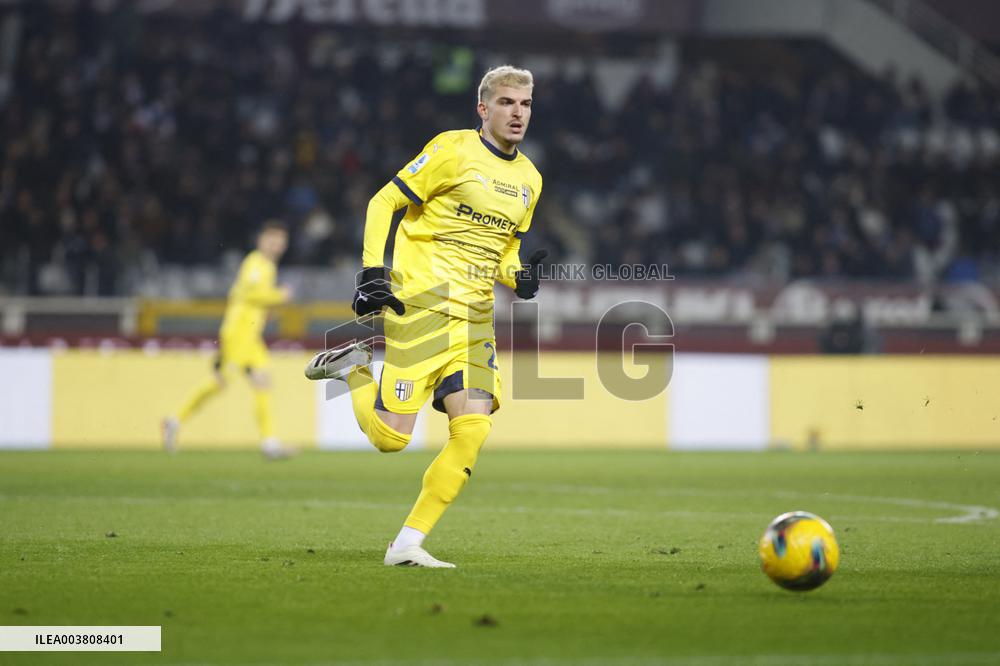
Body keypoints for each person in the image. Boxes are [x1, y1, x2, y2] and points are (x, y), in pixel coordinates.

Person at [305, 65, 547, 567]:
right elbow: (384, 200)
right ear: (483, 108)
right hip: (424, 303)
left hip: (476, 317)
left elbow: (504, 250)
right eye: (506, 103)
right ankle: (352, 368)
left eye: (524, 103)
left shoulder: (530, 180)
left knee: (474, 429)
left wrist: (517, 276)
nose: (517, 112)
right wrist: (373, 269)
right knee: (392, 439)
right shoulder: (452, 150)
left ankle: (407, 544)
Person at [164, 221, 297, 460]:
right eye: (272, 240)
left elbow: (250, 299)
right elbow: (250, 293)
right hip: (239, 332)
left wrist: (270, 307)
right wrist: (280, 295)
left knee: (261, 381)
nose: (277, 246)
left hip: (250, 334)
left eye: (280, 242)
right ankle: (175, 420)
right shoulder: (257, 263)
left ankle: (269, 442)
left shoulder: (266, 265)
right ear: (261, 241)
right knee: (222, 381)